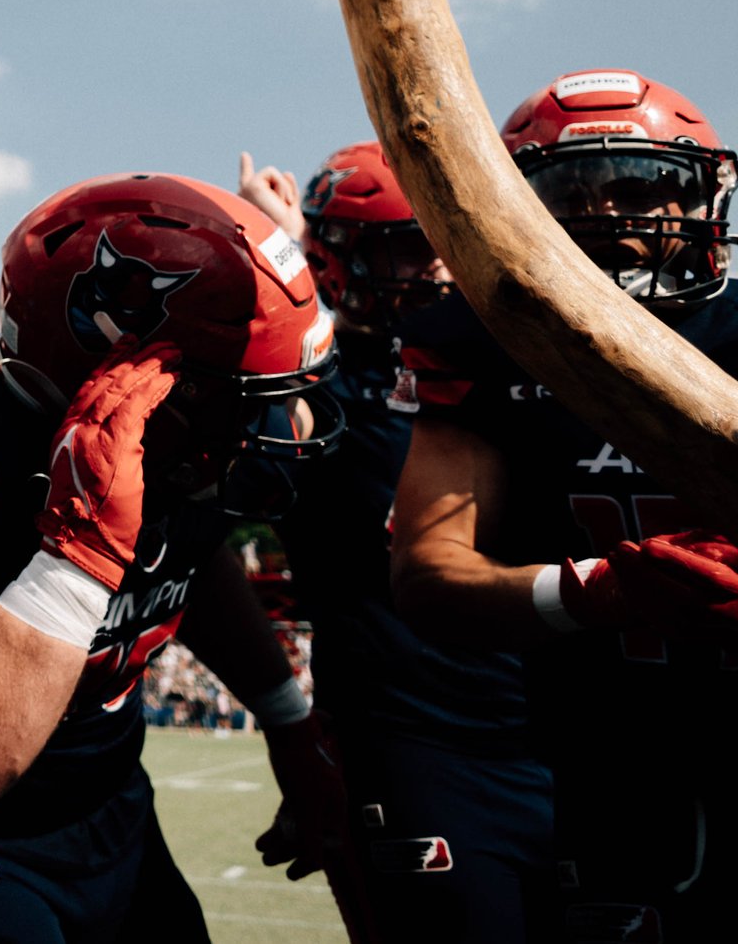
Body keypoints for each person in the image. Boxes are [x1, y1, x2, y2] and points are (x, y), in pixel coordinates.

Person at [390, 68, 738, 939]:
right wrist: (591, 592)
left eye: (644, 183)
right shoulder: (482, 347)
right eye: (575, 189)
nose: (613, 214)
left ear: (702, 199)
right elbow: (426, 573)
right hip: (611, 767)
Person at [0, 174, 356, 941]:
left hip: (106, 805)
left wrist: (289, 727)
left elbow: (191, 558)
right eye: (247, 391)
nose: (278, 419)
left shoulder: (200, 441)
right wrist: (77, 555)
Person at [237, 142, 552, 942]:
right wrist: (287, 256)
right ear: (340, 258)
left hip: (556, 730)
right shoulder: (321, 383)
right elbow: (292, 391)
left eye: (450, 240)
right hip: (412, 741)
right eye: (410, 243)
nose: (441, 268)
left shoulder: (511, 367)